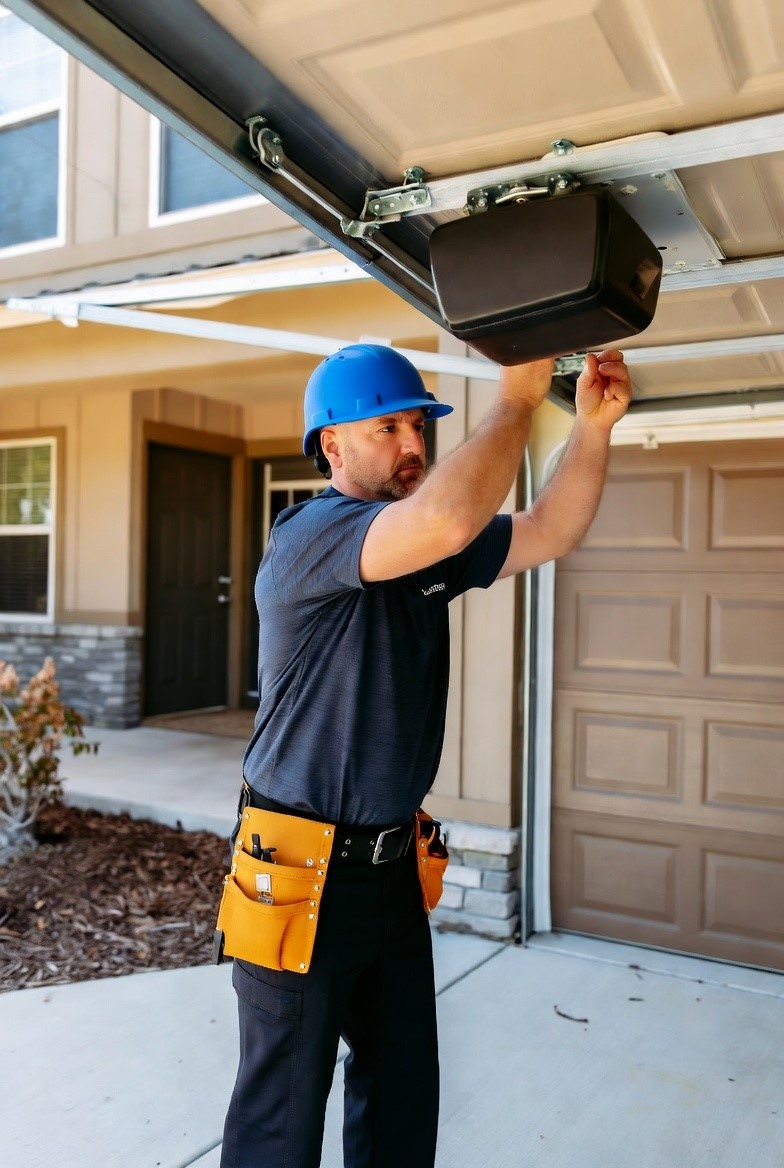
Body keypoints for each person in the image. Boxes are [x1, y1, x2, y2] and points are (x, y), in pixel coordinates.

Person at [220, 342, 632, 1168]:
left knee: (403, 1091)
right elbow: (446, 516)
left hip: (390, 867)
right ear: (331, 445)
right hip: (297, 869)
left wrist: (591, 429)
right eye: (390, 427)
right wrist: (515, 403)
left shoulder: (425, 546)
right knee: (282, 1118)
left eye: (419, 425)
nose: (415, 444)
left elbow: (548, 530)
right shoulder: (311, 536)